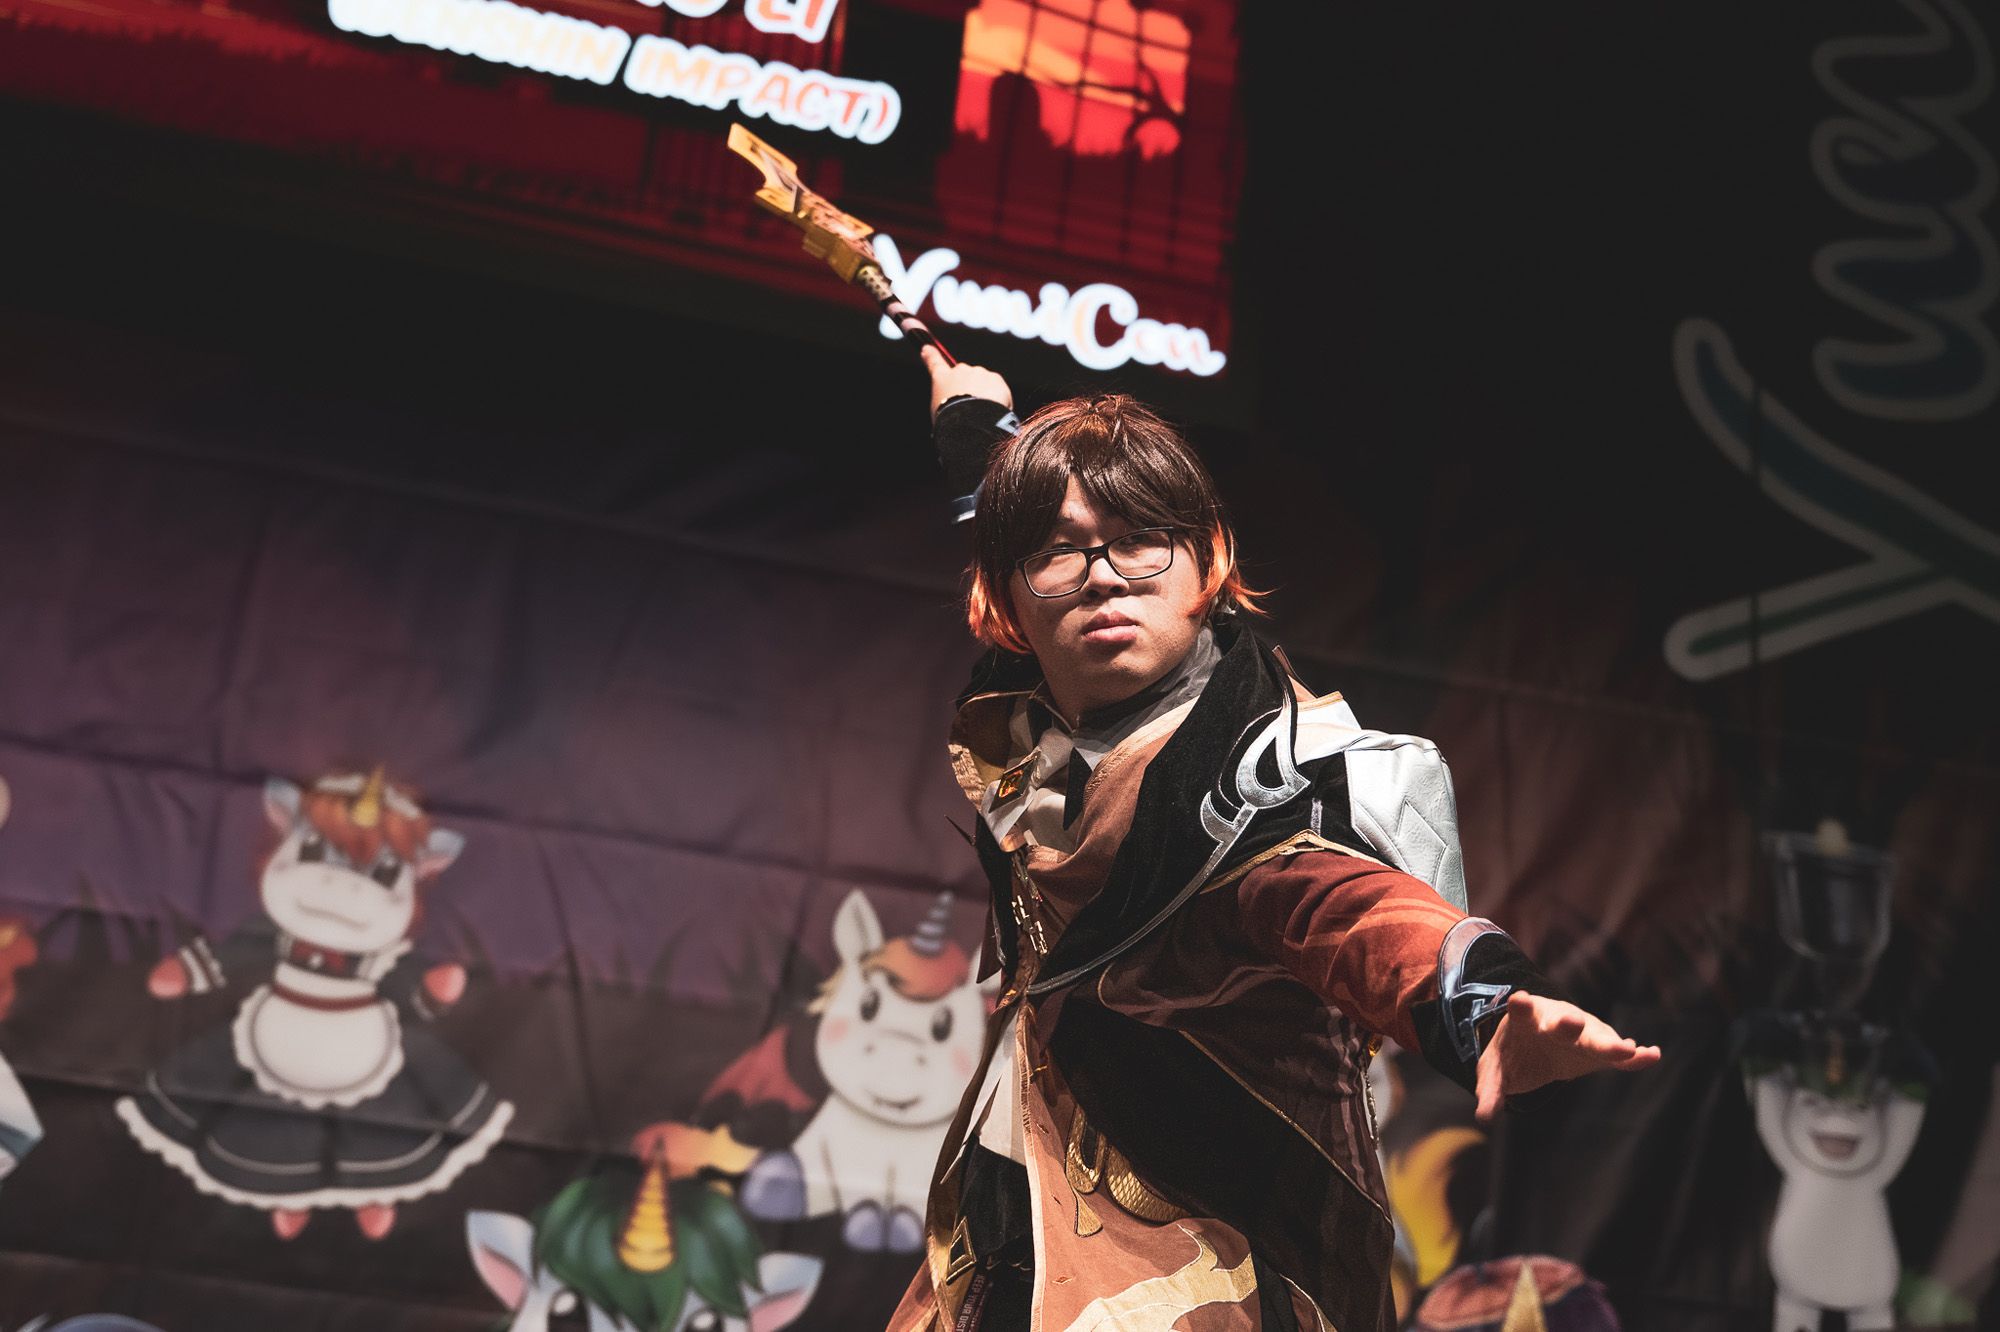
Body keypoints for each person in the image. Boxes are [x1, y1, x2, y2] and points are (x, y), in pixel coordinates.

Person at [885, 350, 1660, 1332]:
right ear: (1010, 597)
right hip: (1022, 1202)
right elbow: (1021, 570)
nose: (1102, 577)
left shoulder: (1256, 784)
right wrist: (979, 441)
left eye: (1140, 541)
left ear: (1209, 562)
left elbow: (1348, 907)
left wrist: (1481, 1006)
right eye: (1059, 553)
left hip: (1207, 1257)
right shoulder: (1038, 710)